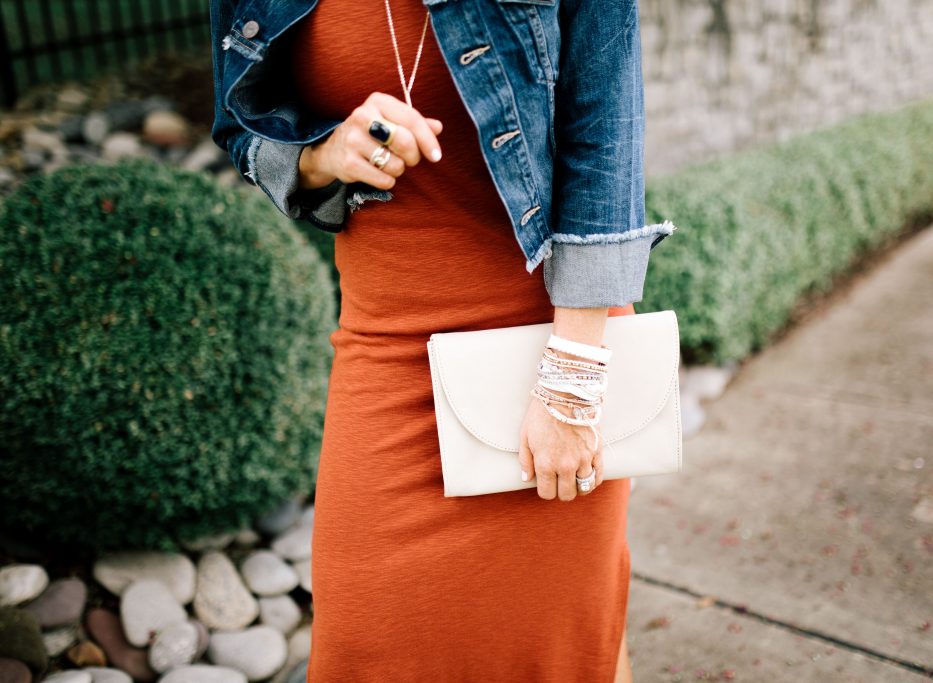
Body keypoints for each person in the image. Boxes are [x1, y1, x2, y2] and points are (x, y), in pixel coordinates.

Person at [209, 0, 675, 680]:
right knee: (368, 643)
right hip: (385, 342)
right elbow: (239, 125)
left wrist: (572, 375)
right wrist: (323, 155)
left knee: (563, 646)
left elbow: (605, 125)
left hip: (548, 335)